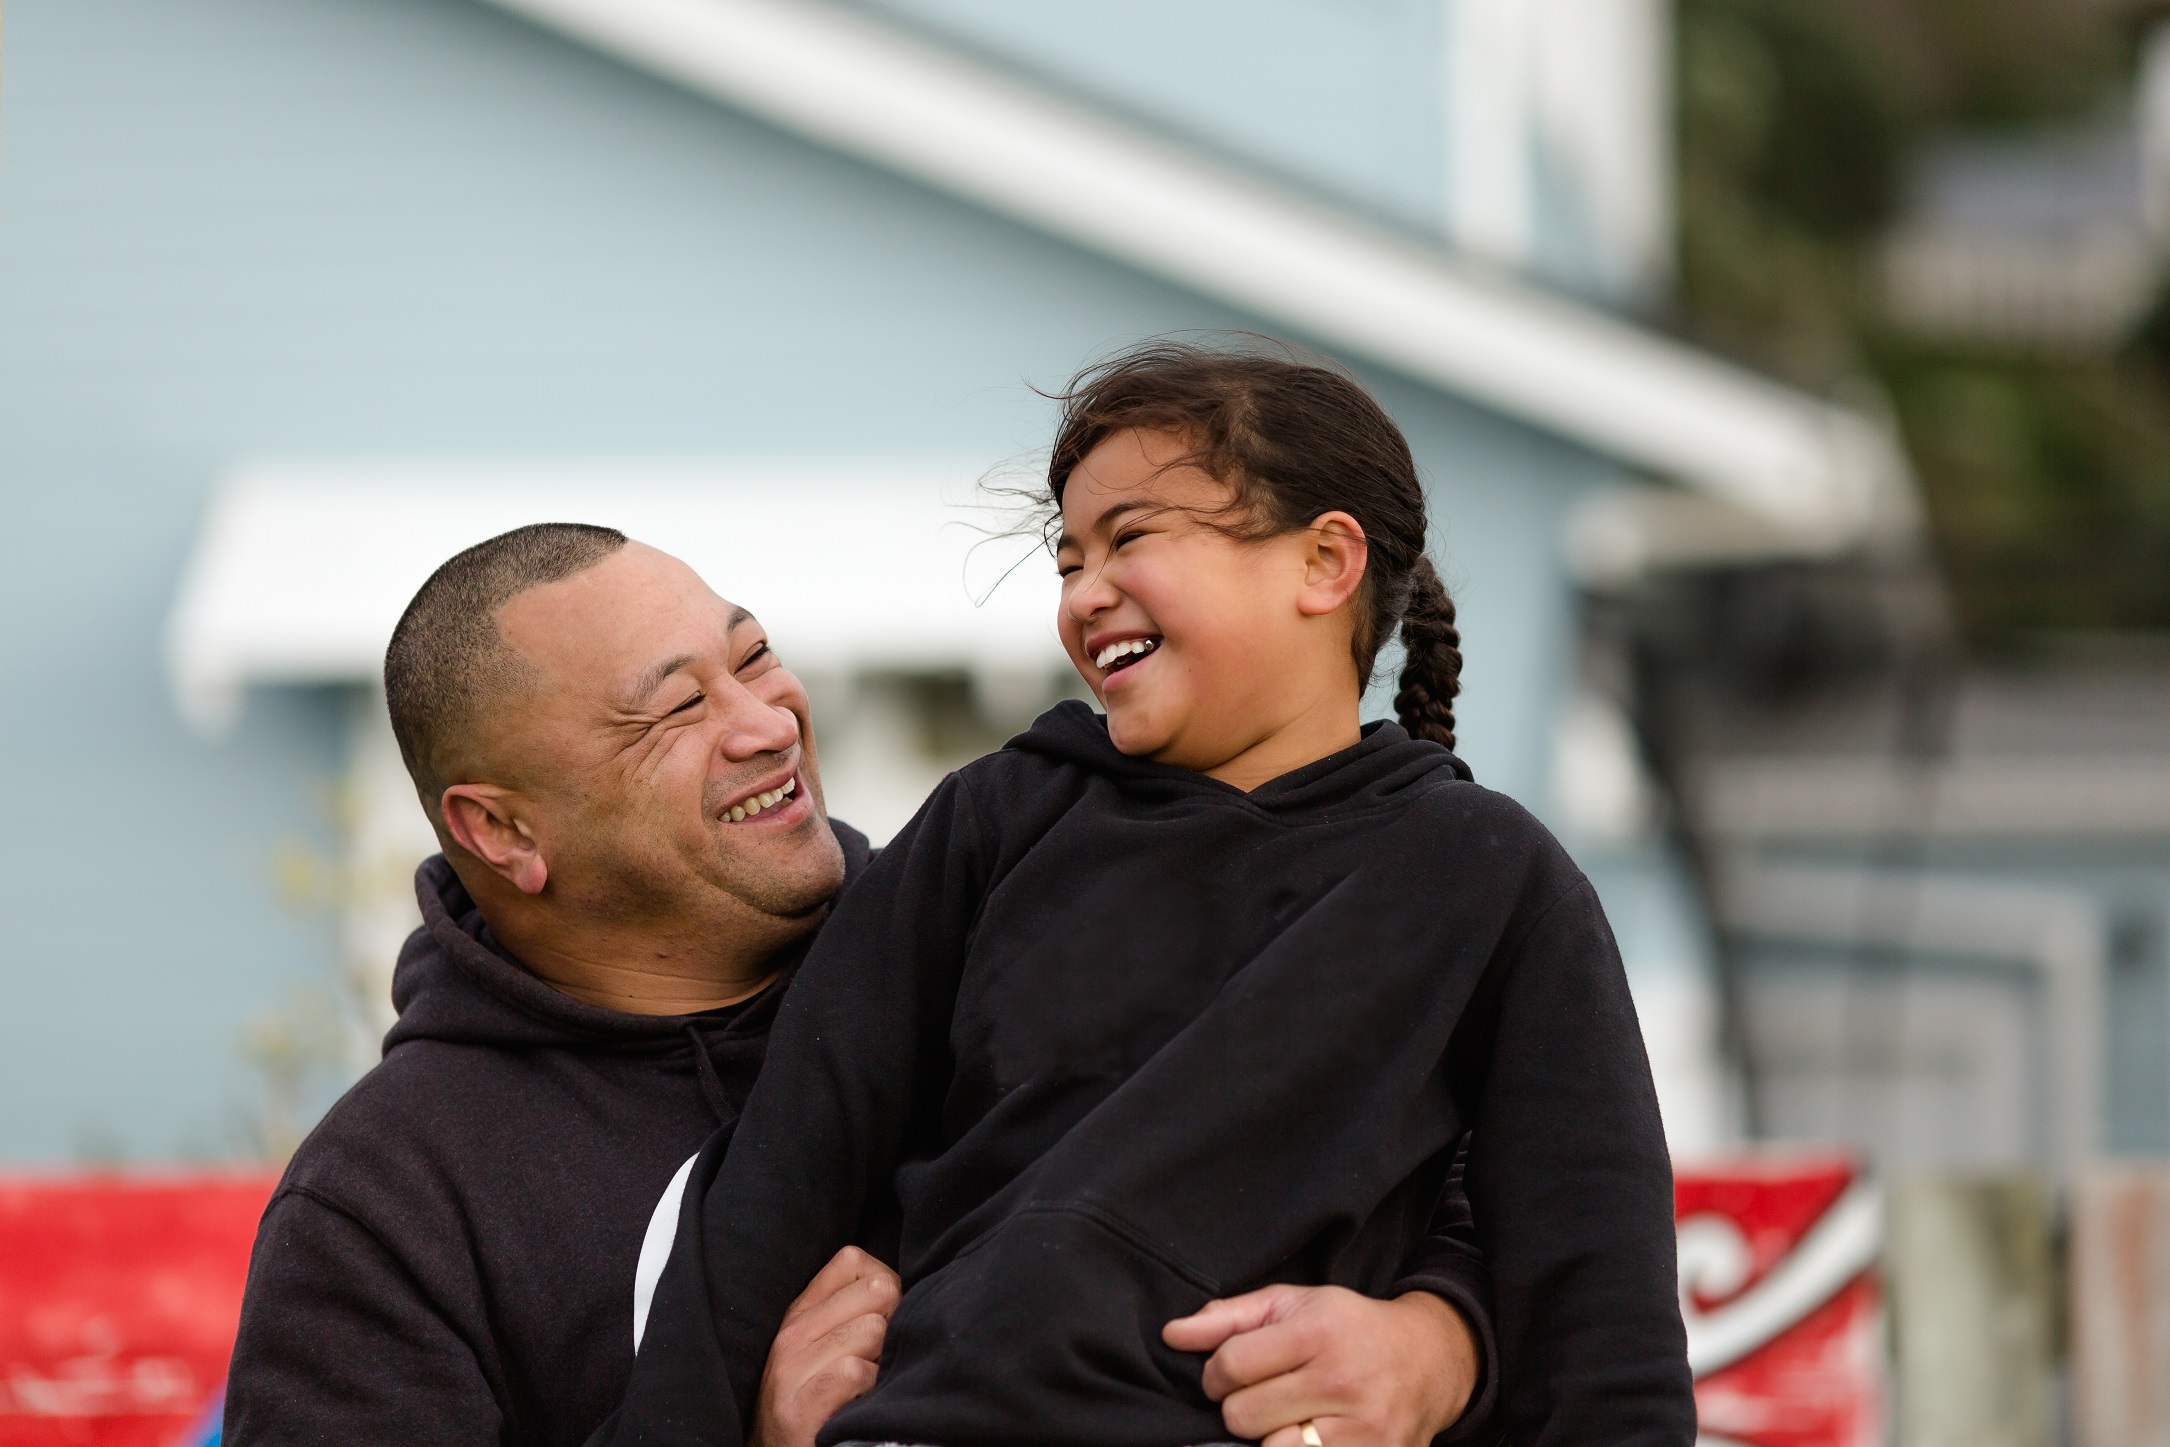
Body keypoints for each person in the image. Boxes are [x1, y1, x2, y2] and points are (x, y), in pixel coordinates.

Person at [604, 344, 1694, 1447]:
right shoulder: (994, 820)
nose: (1085, 593)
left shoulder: (1490, 876)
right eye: (1069, 559)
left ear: (1323, 562)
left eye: (1130, 538)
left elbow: (1598, 1305)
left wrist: (1445, 1342)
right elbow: (783, 1175)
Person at [223, 521, 1491, 1447]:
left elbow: (1454, 1145)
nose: (768, 720)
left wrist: (1437, 1345)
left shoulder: (1020, 932)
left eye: (754, 655)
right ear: (502, 831)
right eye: (673, 711)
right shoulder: (385, 1208)